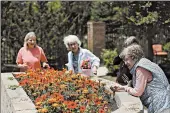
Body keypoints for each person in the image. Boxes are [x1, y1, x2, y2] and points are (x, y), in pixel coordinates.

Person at [112, 44, 170, 113]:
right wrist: (122, 88)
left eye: (126, 59)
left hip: (161, 106)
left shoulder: (140, 68)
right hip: (164, 103)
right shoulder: (143, 63)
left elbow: (137, 92)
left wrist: (127, 89)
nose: (125, 63)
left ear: (133, 57)